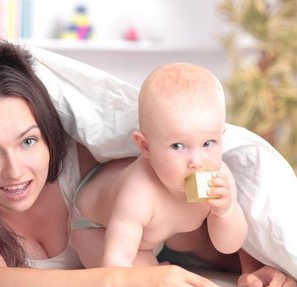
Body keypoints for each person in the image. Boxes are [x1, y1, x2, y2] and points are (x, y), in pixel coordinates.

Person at [0, 39, 296, 287]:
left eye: (28, 141)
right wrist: (115, 285)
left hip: (186, 235)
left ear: (49, 131)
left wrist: (258, 260)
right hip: (142, 251)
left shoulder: (84, 162)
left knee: (178, 200)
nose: (14, 171)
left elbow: (202, 202)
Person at [71, 63, 247, 270]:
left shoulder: (220, 177)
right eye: (178, 146)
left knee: (196, 242)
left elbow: (228, 246)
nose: (197, 162)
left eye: (208, 143)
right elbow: (116, 262)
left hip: (165, 230)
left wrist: (226, 212)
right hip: (98, 227)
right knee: (144, 279)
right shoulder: (138, 193)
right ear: (145, 147)